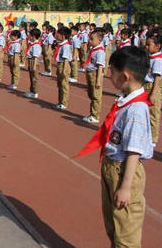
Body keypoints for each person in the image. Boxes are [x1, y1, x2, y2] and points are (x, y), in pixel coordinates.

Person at [74, 46, 153, 248]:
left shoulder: (137, 109)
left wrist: (126, 187)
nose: (109, 75)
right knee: (113, 226)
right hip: (112, 167)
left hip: (124, 170)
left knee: (126, 235)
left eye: (112, 71)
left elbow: (134, 150)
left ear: (125, 76)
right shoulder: (126, 101)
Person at [82, 29, 106, 124]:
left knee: (96, 96)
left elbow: (100, 66)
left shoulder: (100, 51)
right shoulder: (93, 49)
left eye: (92, 39)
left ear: (99, 40)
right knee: (91, 94)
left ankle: (95, 115)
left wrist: (98, 80)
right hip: (90, 73)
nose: (90, 41)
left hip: (95, 74)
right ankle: (92, 113)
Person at [144, 30, 162, 145]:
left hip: (152, 87)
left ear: (158, 46)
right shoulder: (150, 57)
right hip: (146, 86)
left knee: (153, 114)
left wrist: (153, 94)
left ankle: (153, 139)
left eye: (149, 44)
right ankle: (147, 135)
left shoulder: (158, 60)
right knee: (146, 112)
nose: (146, 47)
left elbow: (157, 78)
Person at [54, 26, 73, 110]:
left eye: (58, 34)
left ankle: (64, 103)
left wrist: (64, 70)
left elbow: (66, 59)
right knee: (60, 84)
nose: (57, 35)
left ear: (63, 36)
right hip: (60, 65)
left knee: (64, 85)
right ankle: (60, 101)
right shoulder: (61, 45)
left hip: (64, 65)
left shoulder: (66, 46)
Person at [24, 28, 42, 99]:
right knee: (31, 77)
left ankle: (35, 92)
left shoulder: (36, 45)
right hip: (30, 61)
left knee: (34, 78)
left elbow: (36, 57)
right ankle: (32, 91)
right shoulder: (33, 44)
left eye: (30, 35)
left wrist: (34, 66)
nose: (29, 37)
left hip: (33, 62)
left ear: (33, 37)